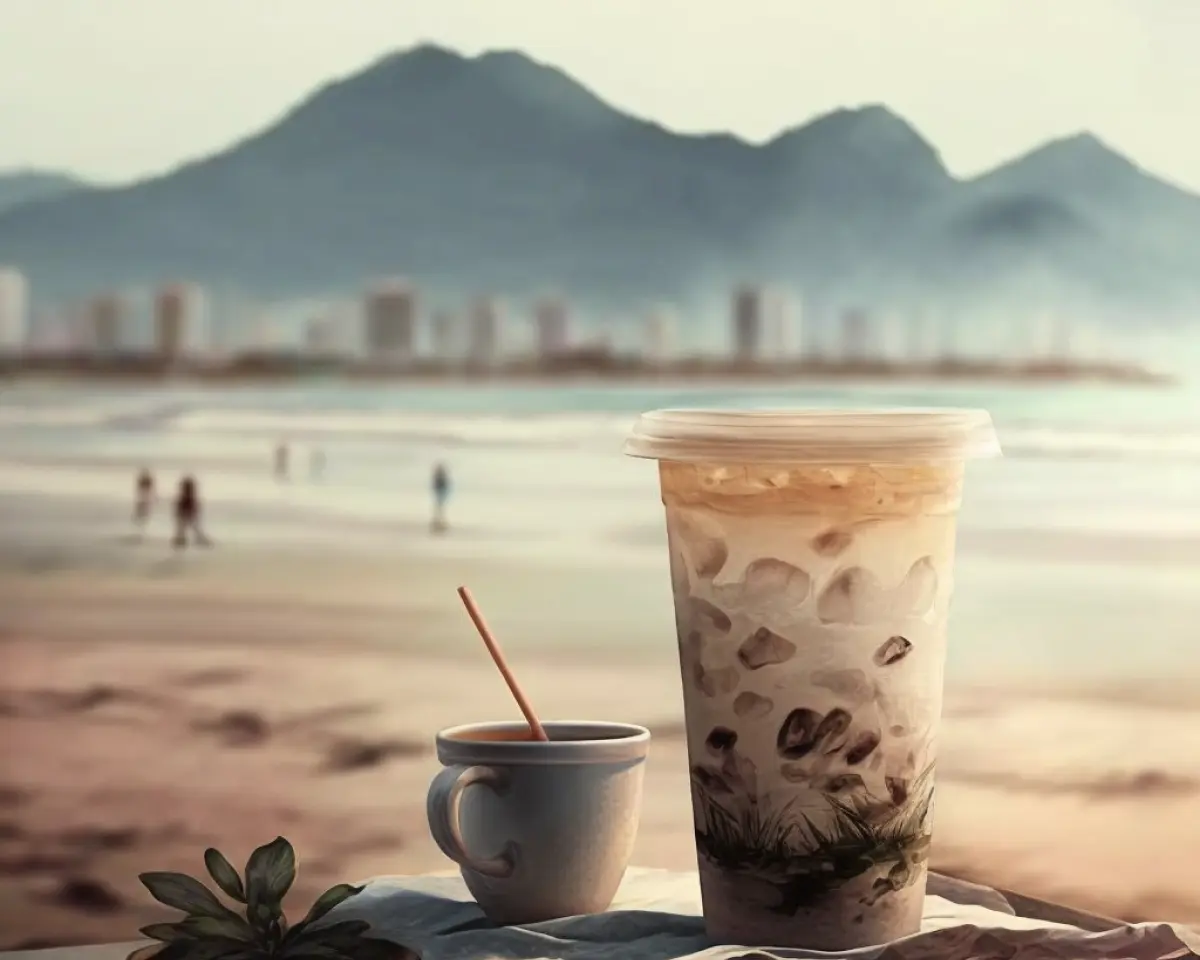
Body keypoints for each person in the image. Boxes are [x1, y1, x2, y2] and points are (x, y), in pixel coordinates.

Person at [173, 475, 211, 549]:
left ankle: (182, 540)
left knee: (187, 527)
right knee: (186, 527)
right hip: (187, 510)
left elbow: (182, 505)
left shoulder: (187, 496)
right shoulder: (187, 496)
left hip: (187, 510)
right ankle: (182, 539)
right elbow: (189, 504)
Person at [132, 468, 155, 539]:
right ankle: (141, 518)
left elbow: (146, 487)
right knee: (143, 506)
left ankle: (141, 518)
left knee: (143, 506)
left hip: (144, 497)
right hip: (144, 496)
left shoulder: (146, 480)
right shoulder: (146, 480)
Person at [431, 462, 451, 533]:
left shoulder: (439, 476)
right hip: (441, 492)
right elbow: (443, 485)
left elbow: (436, 485)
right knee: (440, 507)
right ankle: (439, 521)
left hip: (440, 492)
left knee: (440, 507)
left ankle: (438, 521)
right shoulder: (441, 476)